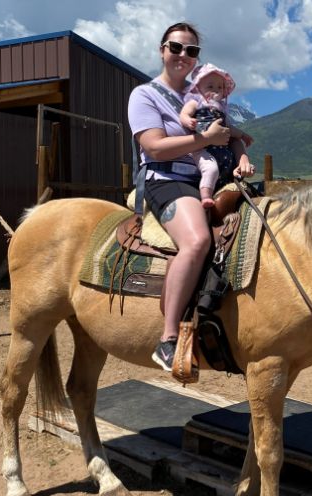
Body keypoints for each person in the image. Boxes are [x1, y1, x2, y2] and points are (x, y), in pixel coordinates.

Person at [127, 22, 255, 371]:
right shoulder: (145, 95)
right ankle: (169, 339)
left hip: (209, 177)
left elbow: (227, 133)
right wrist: (204, 140)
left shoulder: (201, 93)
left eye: (192, 50)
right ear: (162, 50)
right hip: (166, 177)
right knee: (197, 240)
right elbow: (153, 146)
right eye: (176, 47)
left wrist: (240, 154)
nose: (183, 55)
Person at [179, 63, 253, 208]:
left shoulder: (221, 110)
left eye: (219, 87)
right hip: (203, 148)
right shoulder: (196, 102)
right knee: (210, 168)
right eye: (210, 87)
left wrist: (242, 135)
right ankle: (205, 195)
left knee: (228, 168)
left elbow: (228, 128)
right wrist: (188, 120)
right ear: (198, 88)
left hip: (222, 151)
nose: (215, 91)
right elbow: (183, 114)